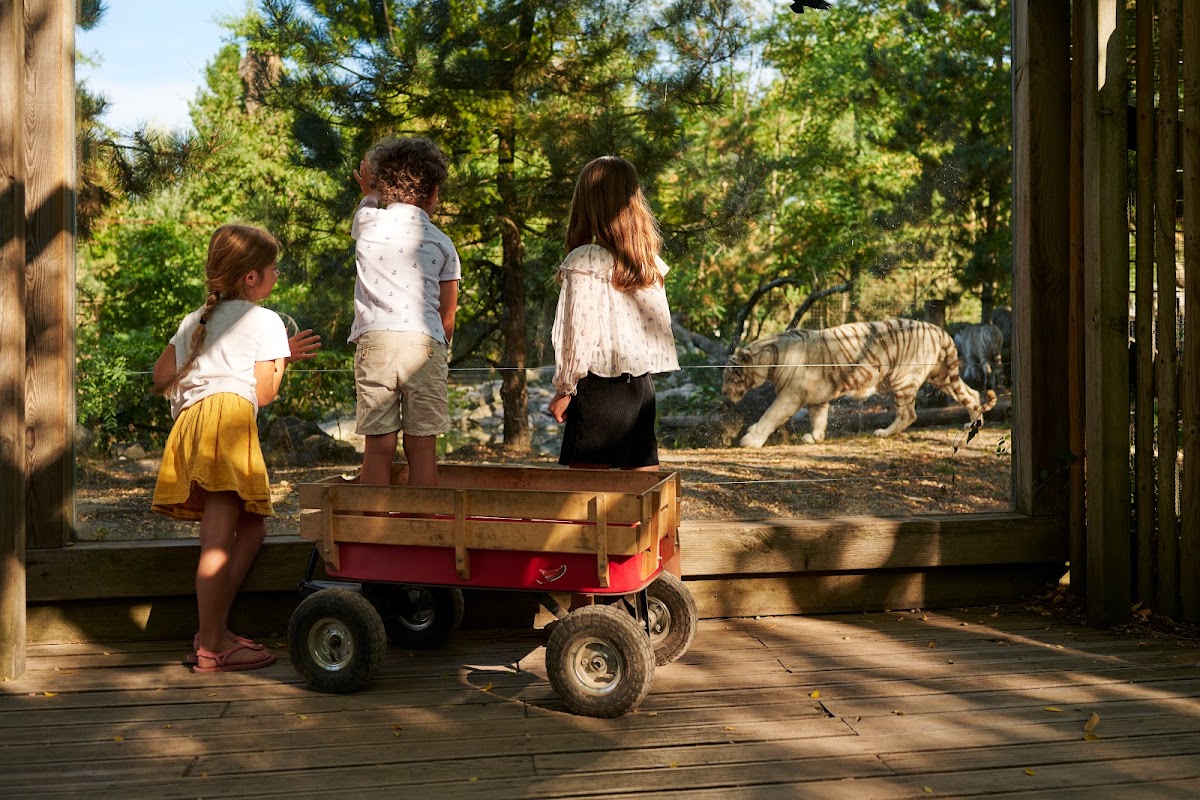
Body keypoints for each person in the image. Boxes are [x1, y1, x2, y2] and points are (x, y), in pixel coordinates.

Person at [151, 224, 321, 673]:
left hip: (192, 424)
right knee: (218, 539)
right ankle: (211, 646)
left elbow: (160, 377)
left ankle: (215, 628)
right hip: (227, 424)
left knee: (253, 529)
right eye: (272, 268)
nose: (277, 275)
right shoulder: (263, 319)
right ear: (251, 277)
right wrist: (279, 359)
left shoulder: (196, 320)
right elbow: (264, 393)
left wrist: (204, 380)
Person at [549, 155, 680, 471]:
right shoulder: (644, 263)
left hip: (599, 388)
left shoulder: (586, 260)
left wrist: (565, 389)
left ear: (587, 203)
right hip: (640, 387)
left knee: (584, 502)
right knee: (643, 493)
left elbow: (576, 333)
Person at [349, 136, 460, 488]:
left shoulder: (367, 222)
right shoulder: (443, 243)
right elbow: (448, 315)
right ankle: (424, 530)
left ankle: (371, 530)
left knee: (378, 446)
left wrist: (369, 191)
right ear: (432, 193)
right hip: (424, 345)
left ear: (384, 187)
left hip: (376, 342)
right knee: (422, 446)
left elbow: (366, 206)